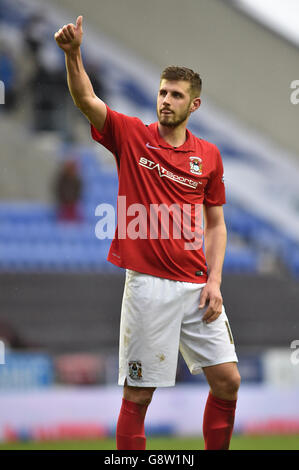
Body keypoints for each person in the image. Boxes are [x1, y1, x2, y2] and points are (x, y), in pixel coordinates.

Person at [54, 16, 241, 450]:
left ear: (193, 105)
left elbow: (215, 223)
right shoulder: (131, 136)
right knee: (138, 395)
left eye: (176, 95)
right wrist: (73, 53)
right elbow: (86, 99)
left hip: (197, 286)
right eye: (162, 92)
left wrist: (214, 281)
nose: (166, 100)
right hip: (149, 287)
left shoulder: (208, 157)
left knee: (228, 381)